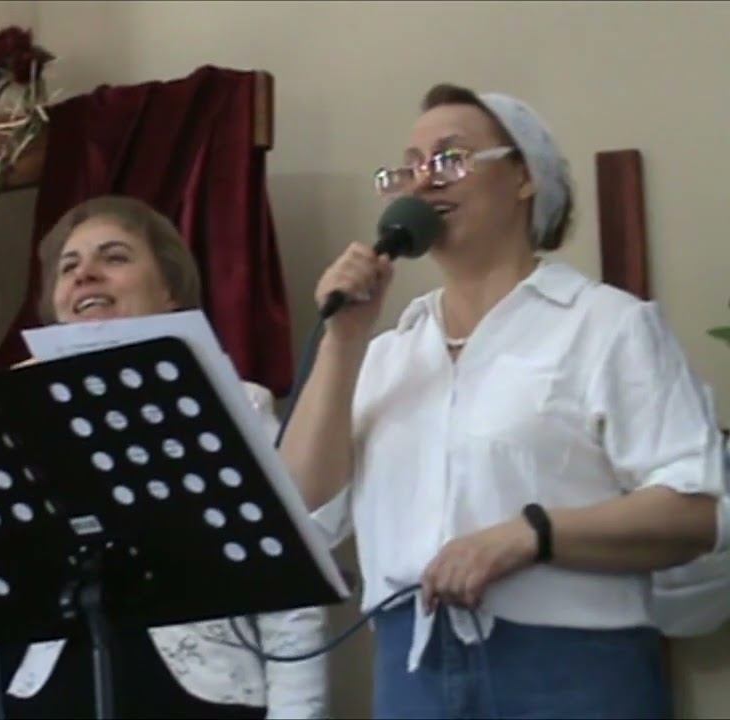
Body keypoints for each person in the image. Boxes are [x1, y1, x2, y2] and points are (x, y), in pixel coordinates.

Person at [279, 83, 726, 719]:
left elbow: (694, 514)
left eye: (451, 158)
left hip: (571, 672)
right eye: (409, 166)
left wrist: (531, 535)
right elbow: (302, 508)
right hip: (413, 674)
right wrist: (343, 342)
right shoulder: (385, 354)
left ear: (523, 176)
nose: (423, 180)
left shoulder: (606, 325)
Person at [1, 195, 330, 719]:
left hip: (197, 698)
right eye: (68, 267)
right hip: (55, 691)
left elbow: (290, 597)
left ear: (170, 291)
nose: (85, 275)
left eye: (114, 257)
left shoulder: (235, 405)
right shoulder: (20, 416)